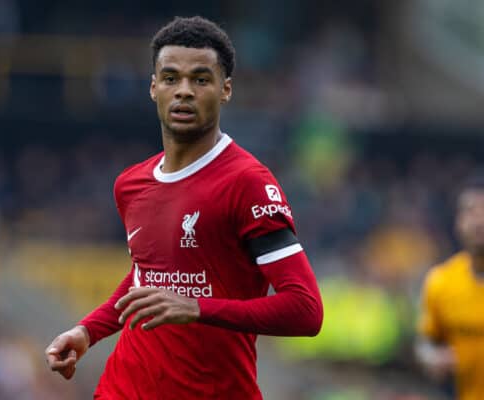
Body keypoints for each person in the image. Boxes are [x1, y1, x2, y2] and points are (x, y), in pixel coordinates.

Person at [45, 16, 323, 399]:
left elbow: (306, 310)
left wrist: (198, 308)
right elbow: (149, 276)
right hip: (122, 389)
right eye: (172, 78)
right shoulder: (131, 184)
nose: (184, 91)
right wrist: (89, 331)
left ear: (225, 90)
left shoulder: (248, 183)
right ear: (153, 87)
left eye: (201, 79)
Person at [416, 170, 484, 400]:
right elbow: (426, 343)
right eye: (470, 211)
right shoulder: (442, 281)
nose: (479, 220)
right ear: (457, 220)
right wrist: (432, 358)